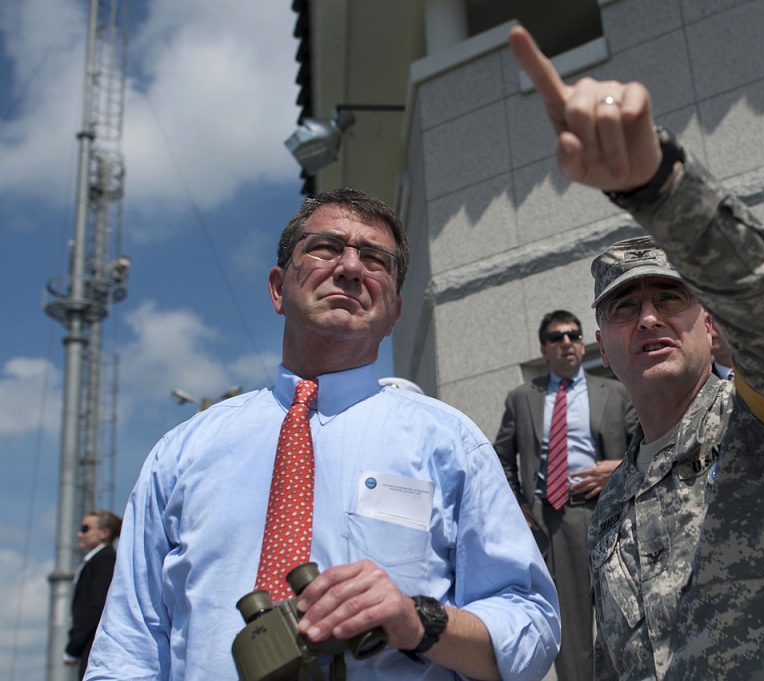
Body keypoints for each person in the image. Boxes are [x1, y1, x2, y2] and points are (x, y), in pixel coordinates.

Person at [509, 25, 764, 680]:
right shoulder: (612, 504)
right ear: (602, 349)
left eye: (670, 298)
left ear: (710, 320)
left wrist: (660, 188)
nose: (647, 316)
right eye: (624, 306)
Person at [85, 188, 559, 681]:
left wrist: (417, 620)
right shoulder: (181, 454)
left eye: (376, 259)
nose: (351, 268)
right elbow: (127, 650)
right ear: (277, 288)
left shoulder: (449, 443)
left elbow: (533, 626)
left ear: (394, 311)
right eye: (326, 248)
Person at [494, 309, 637, 681]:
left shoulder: (615, 391)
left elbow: (648, 444)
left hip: (612, 512)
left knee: (626, 614)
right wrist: (519, 507)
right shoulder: (521, 398)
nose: (568, 343)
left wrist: (620, 469)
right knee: (571, 633)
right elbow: (501, 458)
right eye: (558, 337)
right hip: (553, 522)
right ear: (545, 348)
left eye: (574, 335)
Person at [63, 510, 121, 680]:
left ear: (104, 532)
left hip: (94, 646)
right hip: (90, 645)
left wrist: (73, 648)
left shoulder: (105, 560)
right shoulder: (98, 560)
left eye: (85, 528)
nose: (80, 534)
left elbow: (95, 607)